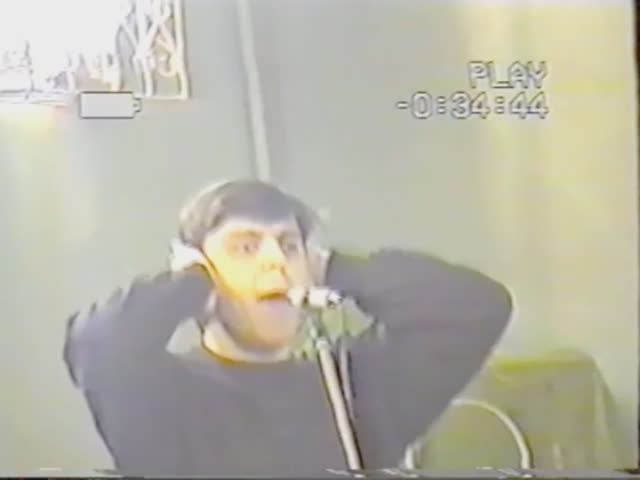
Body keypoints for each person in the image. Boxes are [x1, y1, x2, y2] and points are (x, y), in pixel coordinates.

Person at [64, 179, 513, 476]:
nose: (276, 261)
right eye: (245, 247)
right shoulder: (162, 399)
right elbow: (98, 345)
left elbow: (475, 308)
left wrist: (332, 268)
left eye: (288, 245)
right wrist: (190, 282)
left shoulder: (352, 387)